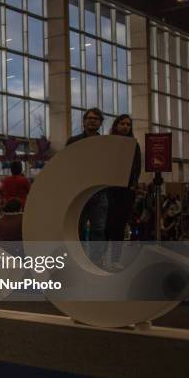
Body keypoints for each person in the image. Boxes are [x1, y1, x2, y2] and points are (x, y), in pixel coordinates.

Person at [66, 108, 108, 265]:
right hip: (78, 191)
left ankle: (96, 261)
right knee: (77, 228)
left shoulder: (106, 143)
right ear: (84, 122)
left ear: (100, 123)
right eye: (89, 118)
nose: (92, 120)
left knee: (99, 228)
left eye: (96, 118)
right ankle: (79, 259)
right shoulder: (73, 141)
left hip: (99, 191)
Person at [105, 114, 141, 268]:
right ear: (116, 125)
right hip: (108, 189)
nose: (126, 127)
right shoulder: (108, 143)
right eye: (122, 124)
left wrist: (133, 185)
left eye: (128, 124)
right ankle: (101, 257)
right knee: (106, 225)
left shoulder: (134, 145)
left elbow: (137, 167)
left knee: (120, 226)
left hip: (126, 190)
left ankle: (115, 259)